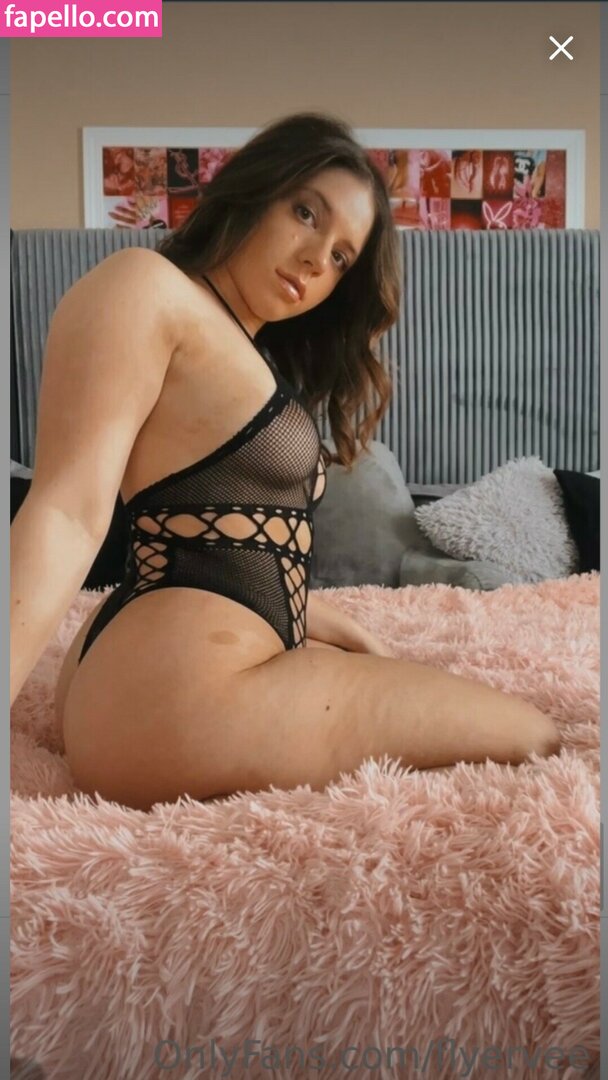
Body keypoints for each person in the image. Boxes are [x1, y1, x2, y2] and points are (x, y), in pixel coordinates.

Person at [10, 112, 560, 812]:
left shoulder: (238, 350)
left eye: (342, 257)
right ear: (255, 188)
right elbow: (65, 512)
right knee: (537, 734)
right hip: (177, 696)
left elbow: (230, 547)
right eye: (306, 213)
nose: (315, 260)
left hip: (156, 673)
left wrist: (341, 629)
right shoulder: (148, 285)